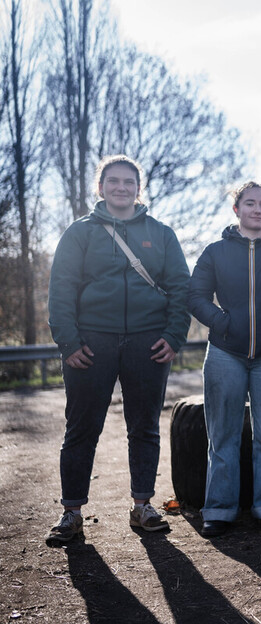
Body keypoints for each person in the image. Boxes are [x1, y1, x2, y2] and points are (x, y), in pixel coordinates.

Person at [45, 155, 190, 545]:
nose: (121, 188)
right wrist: (68, 342)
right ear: (101, 187)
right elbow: (60, 289)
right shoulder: (80, 233)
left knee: (143, 428)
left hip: (148, 341)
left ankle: (142, 506)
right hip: (91, 342)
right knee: (81, 428)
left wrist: (174, 337)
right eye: (113, 181)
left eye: (129, 182)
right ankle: (71, 512)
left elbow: (180, 287)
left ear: (138, 189)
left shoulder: (161, 234)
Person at [188, 181, 261, 537]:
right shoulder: (215, 252)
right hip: (225, 353)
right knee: (222, 434)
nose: (258, 209)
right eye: (251, 203)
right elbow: (196, 297)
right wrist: (222, 323)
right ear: (236, 208)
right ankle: (220, 509)